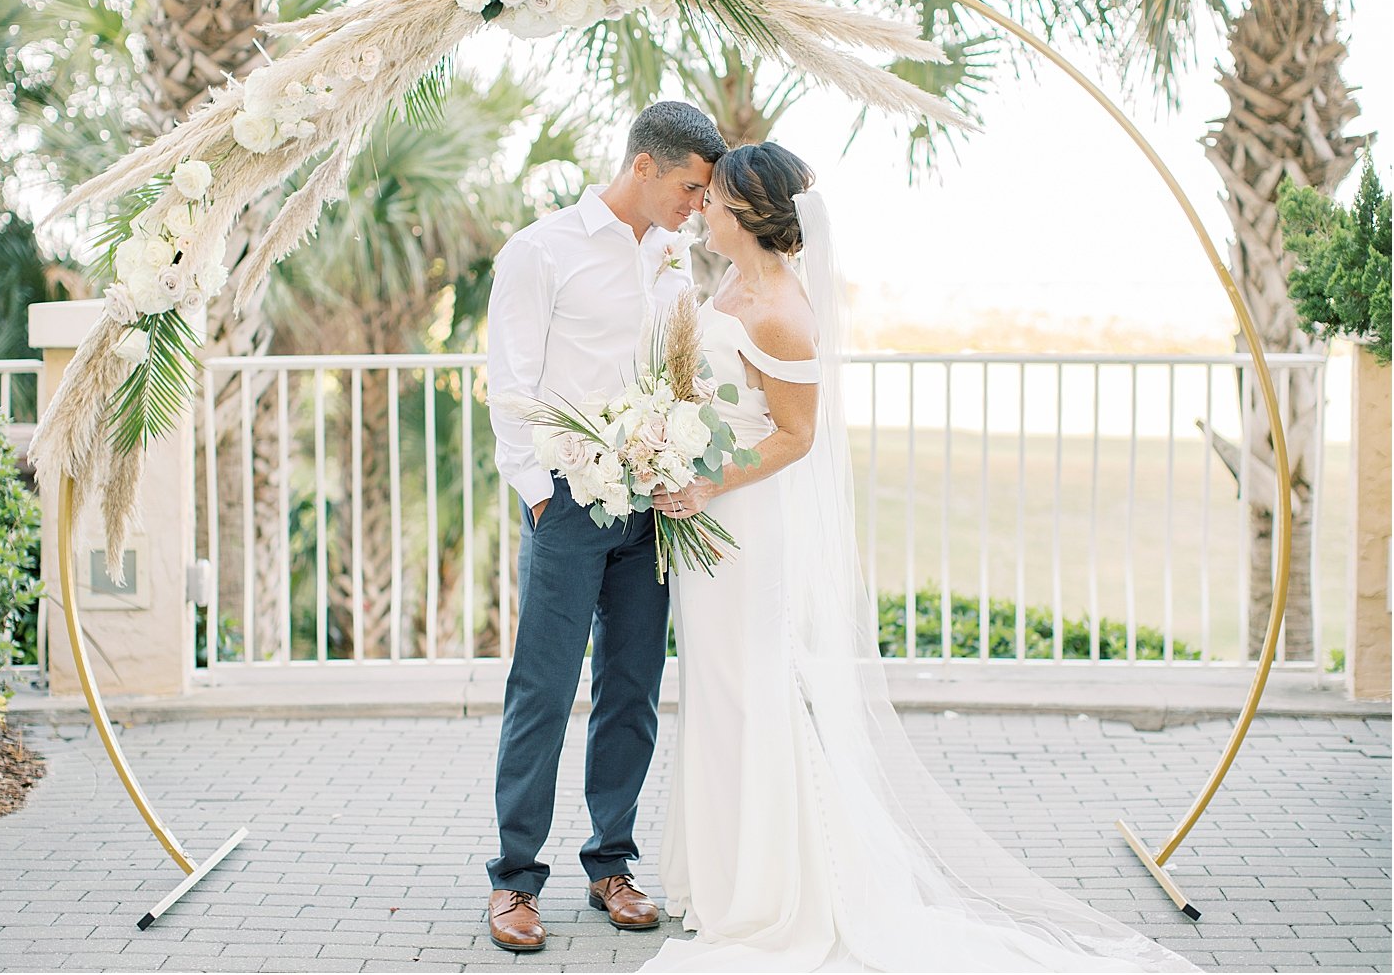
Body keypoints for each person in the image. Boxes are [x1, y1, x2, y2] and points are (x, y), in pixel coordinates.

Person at [642, 142, 1196, 972]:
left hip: (746, 524)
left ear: (751, 218)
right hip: (708, 525)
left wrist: (706, 483)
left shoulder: (784, 311)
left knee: (755, 693)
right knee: (715, 693)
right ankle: (722, 878)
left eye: (716, 201)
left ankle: (767, 892)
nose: (703, 211)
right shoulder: (726, 284)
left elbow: (797, 436)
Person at [483, 100, 727, 953]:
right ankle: (514, 880)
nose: (698, 208)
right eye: (691, 189)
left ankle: (610, 865)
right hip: (568, 502)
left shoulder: (672, 262)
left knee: (631, 690)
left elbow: (675, 369)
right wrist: (539, 492)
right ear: (644, 167)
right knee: (543, 689)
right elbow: (508, 382)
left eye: (706, 198)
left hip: (648, 505)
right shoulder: (540, 251)